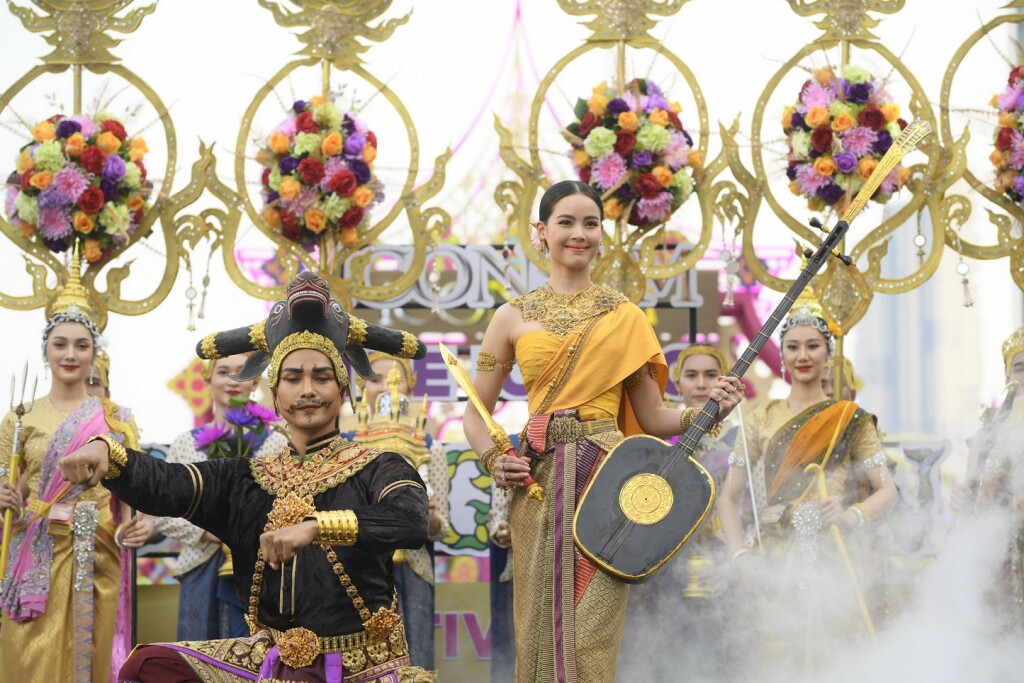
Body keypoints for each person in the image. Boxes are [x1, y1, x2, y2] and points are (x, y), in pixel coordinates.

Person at [59, 272, 435, 682]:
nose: (307, 389)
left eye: (322, 377)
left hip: (359, 667)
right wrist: (106, 452)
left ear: (343, 391)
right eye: (293, 379)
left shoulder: (379, 465)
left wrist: (315, 527)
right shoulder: (245, 480)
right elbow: (165, 483)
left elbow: (410, 519)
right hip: (268, 660)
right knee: (147, 665)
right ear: (276, 396)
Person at [462, 180, 743, 683]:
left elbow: (654, 417)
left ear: (601, 234)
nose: (579, 233)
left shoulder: (626, 317)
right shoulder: (511, 317)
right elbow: (474, 415)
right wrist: (494, 459)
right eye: (566, 222)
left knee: (590, 637)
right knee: (536, 630)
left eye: (590, 223)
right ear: (541, 232)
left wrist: (706, 412)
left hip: (608, 482)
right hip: (536, 483)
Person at [716, 287, 897, 677]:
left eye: (813, 346)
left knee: (832, 656)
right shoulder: (760, 415)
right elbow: (728, 498)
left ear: (827, 354)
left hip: (834, 553)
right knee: (776, 657)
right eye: (793, 347)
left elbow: (888, 490)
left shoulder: (852, 417)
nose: (803, 356)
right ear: (780, 355)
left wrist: (853, 515)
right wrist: (740, 556)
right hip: (773, 560)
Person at [0, 253, 151, 682]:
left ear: (93, 354)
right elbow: (5, 484)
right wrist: (4, 496)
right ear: (45, 350)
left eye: (81, 345)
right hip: (36, 548)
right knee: (28, 654)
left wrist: (140, 526)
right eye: (60, 344)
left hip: (98, 547)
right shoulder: (20, 417)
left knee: (95, 650)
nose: (70, 354)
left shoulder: (116, 417)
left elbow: (138, 491)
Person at [615, 344, 741, 681]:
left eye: (711, 375)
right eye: (692, 375)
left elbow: (754, 505)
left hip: (721, 566)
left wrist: (736, 558)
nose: (702, 384)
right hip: (664, 570)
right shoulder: (656, 438)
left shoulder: (742, 439)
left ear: (725, 380)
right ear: (677, 385)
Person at [156, 354, 287, 641]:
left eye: (241, 373)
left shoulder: (276, 442)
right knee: (199, 654)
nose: (231, 380)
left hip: (260, 568)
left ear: (254, 382)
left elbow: (289, 505)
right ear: (207, 380)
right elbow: (164, 511)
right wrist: (208, 532)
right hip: (201, 566)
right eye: (223, 372)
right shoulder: (186, 444)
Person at [350, 353, 451, 670]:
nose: (385, 387)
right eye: (375, 379)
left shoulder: (430, 447)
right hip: (357, 571)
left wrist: (429, 517)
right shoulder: (347, 448)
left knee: (415, 658)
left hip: (413, 569)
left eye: (395, 379)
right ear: (361, 387)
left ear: (410, 388)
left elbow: (443, 527)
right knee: (360, 659)